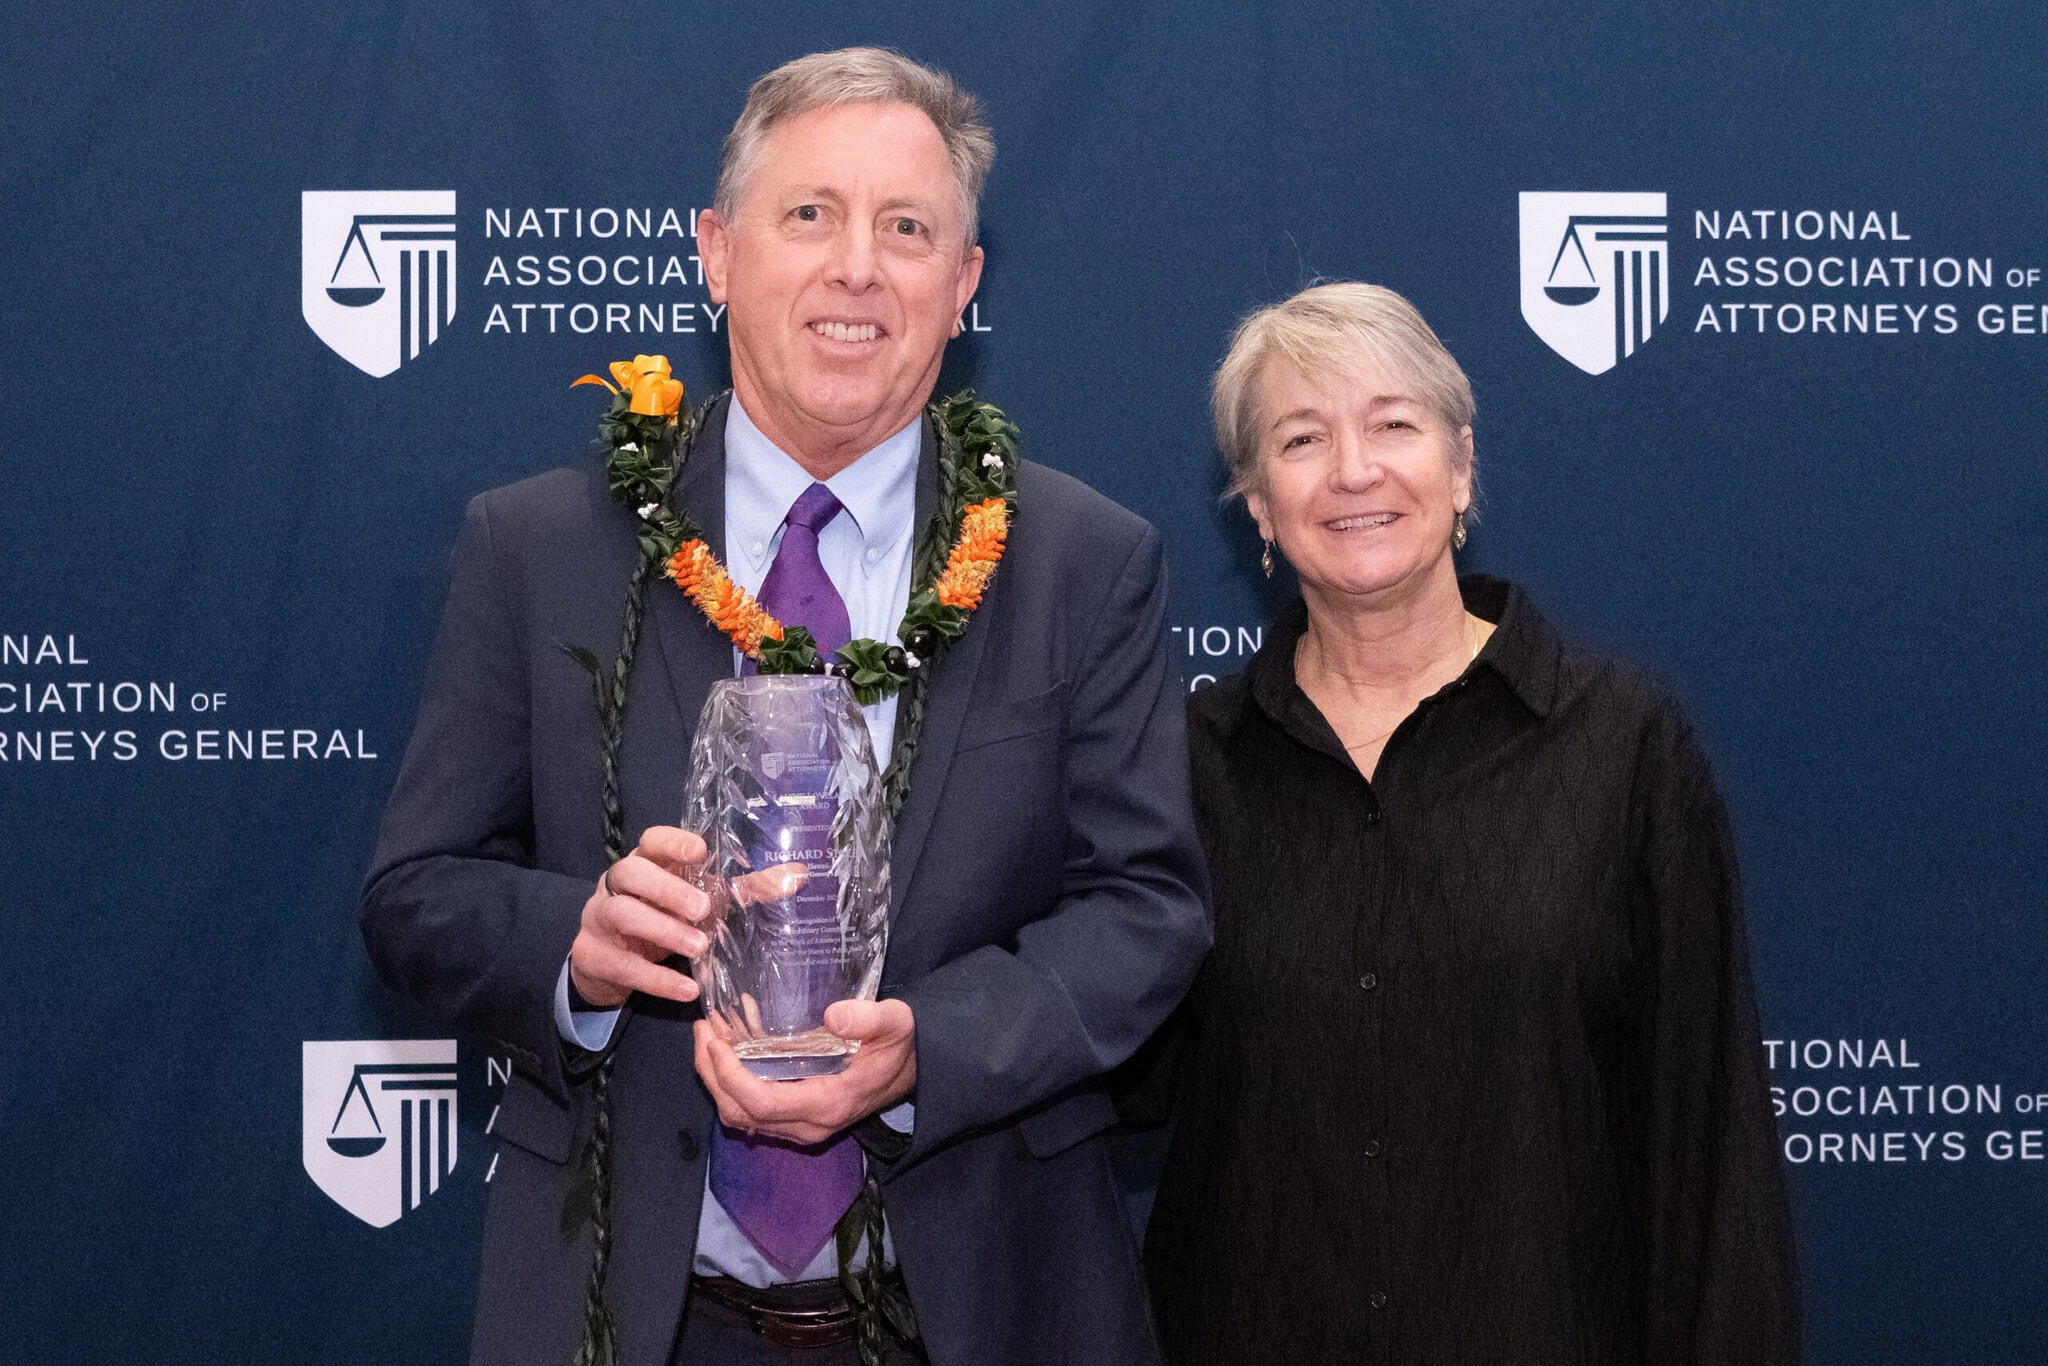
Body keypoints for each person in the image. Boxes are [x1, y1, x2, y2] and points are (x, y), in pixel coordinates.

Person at [361, 48, 1209, 1366]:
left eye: (907, 228)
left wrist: (930, 1048)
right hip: (634, 1317)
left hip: (982, 1309)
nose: (857, 267)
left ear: (963, 285)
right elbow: (417, 892)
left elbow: (1144, 910)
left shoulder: (1082, 559)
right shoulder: (538, 549)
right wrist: (581, 948)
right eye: (809, 213)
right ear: (716, 252)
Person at [1138, 282, 1799, 1363]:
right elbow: (1103, 1077)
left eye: (1392, 424)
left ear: (1460, 467)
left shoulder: (1621, 748)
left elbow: (1708, 1141)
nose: (1353, 470)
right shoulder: (1184, 767)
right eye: (1301, 438)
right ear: (1256, 504)